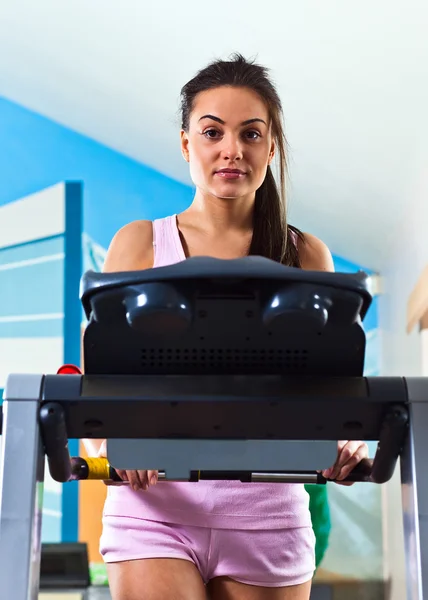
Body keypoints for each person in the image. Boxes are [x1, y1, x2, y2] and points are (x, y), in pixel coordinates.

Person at [83, 53, 368, 600]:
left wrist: (344, 440)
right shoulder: (140, 244)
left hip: (270, 509)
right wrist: (115, 442)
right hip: (155, 508)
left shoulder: (305, 254)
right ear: (187, 144)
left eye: (251, 134)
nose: (232, 150)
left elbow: (329, 387)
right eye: (212, 132)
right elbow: (98, 382)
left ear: (271, 147)